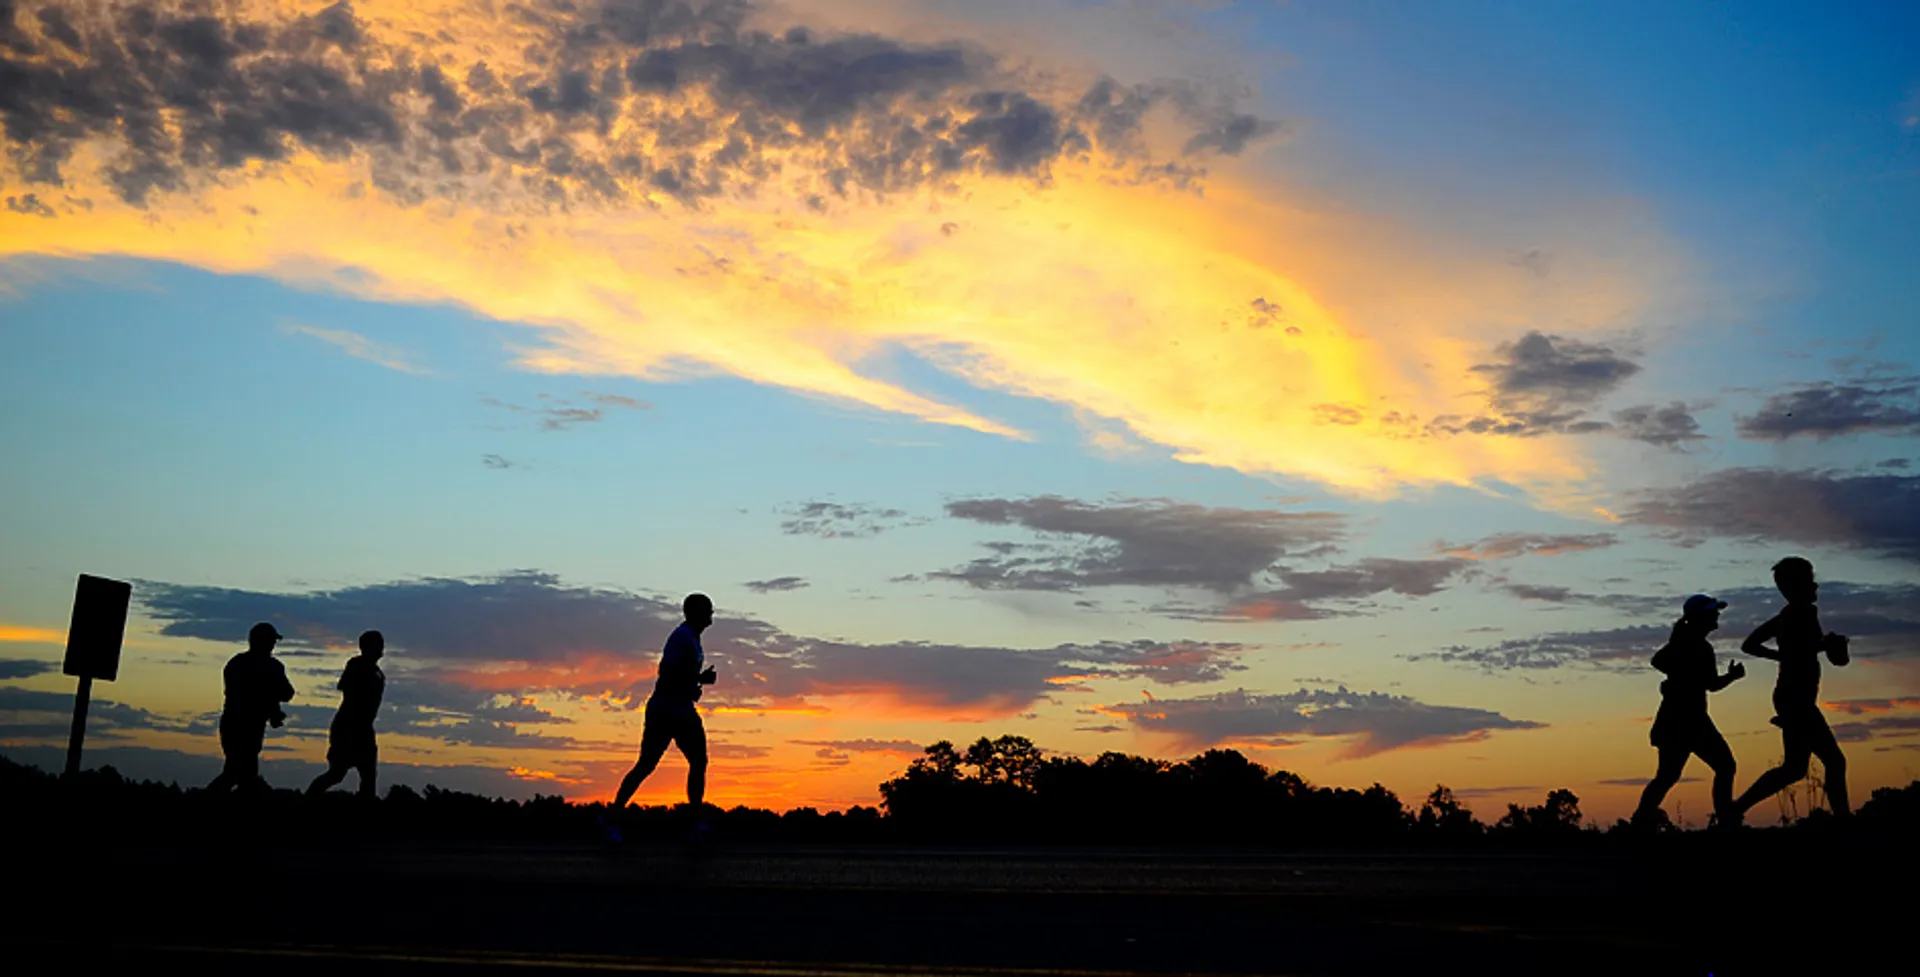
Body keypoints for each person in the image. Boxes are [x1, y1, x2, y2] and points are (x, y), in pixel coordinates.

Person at [1732, 556, 1852, 821]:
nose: (1816, 586)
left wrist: (1788, 655)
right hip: (1797, 699)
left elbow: (1750, 644)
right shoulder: (1802, 613)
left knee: (1794, 768)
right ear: (1797, 586)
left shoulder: (1786, 615)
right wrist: (1826, 645)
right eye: (1811, 581)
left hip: (1789, 697)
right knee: (1834, 761)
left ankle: (1735, 810)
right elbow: (1801, 649)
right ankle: (1845, 821)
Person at [603, 594, 719, 842]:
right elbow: (667, 672)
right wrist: (697, 681)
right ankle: (612, 821)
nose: (712, 614)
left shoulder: (692, 638)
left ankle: (695, 825)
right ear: (695, 613)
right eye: (708, 610)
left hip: (682, 709)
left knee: (698, 762)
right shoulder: (682, 638)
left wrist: (696, 683)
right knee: (646, 765)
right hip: (665, 711)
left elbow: (680, 674)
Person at [1631, 594, 1744, 829]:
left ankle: (1640, 823)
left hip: (1679, 719)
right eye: (1713, 612)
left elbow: (1662, 663)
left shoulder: (1688, 641)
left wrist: (1679, 681)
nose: (1717, 615)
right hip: (1688, 720)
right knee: (1724, 766)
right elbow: (1664, 663)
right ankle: (1727, 823)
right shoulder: (1695, 644)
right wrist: (1729, 677)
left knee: (1668, 776)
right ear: (1700, 617)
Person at [206, 622, 296, 794]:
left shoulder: (237, 663)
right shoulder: (271, 666)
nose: (273, 645)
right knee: (239, 771)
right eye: (271, 640)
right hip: (245, 725)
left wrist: (270, 706)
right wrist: (271, 705)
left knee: (240, 771)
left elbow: (284, 694)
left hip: (237, 723)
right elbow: (285, 693)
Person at [307, 630, 387, 799]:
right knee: (337, 774)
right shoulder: (356, 665)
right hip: (348, 728)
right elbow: (347, 689)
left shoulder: (378, 673)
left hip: (364, 730)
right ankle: (306, 800)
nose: (382, 648)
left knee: (369, 776)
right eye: (379, 644)